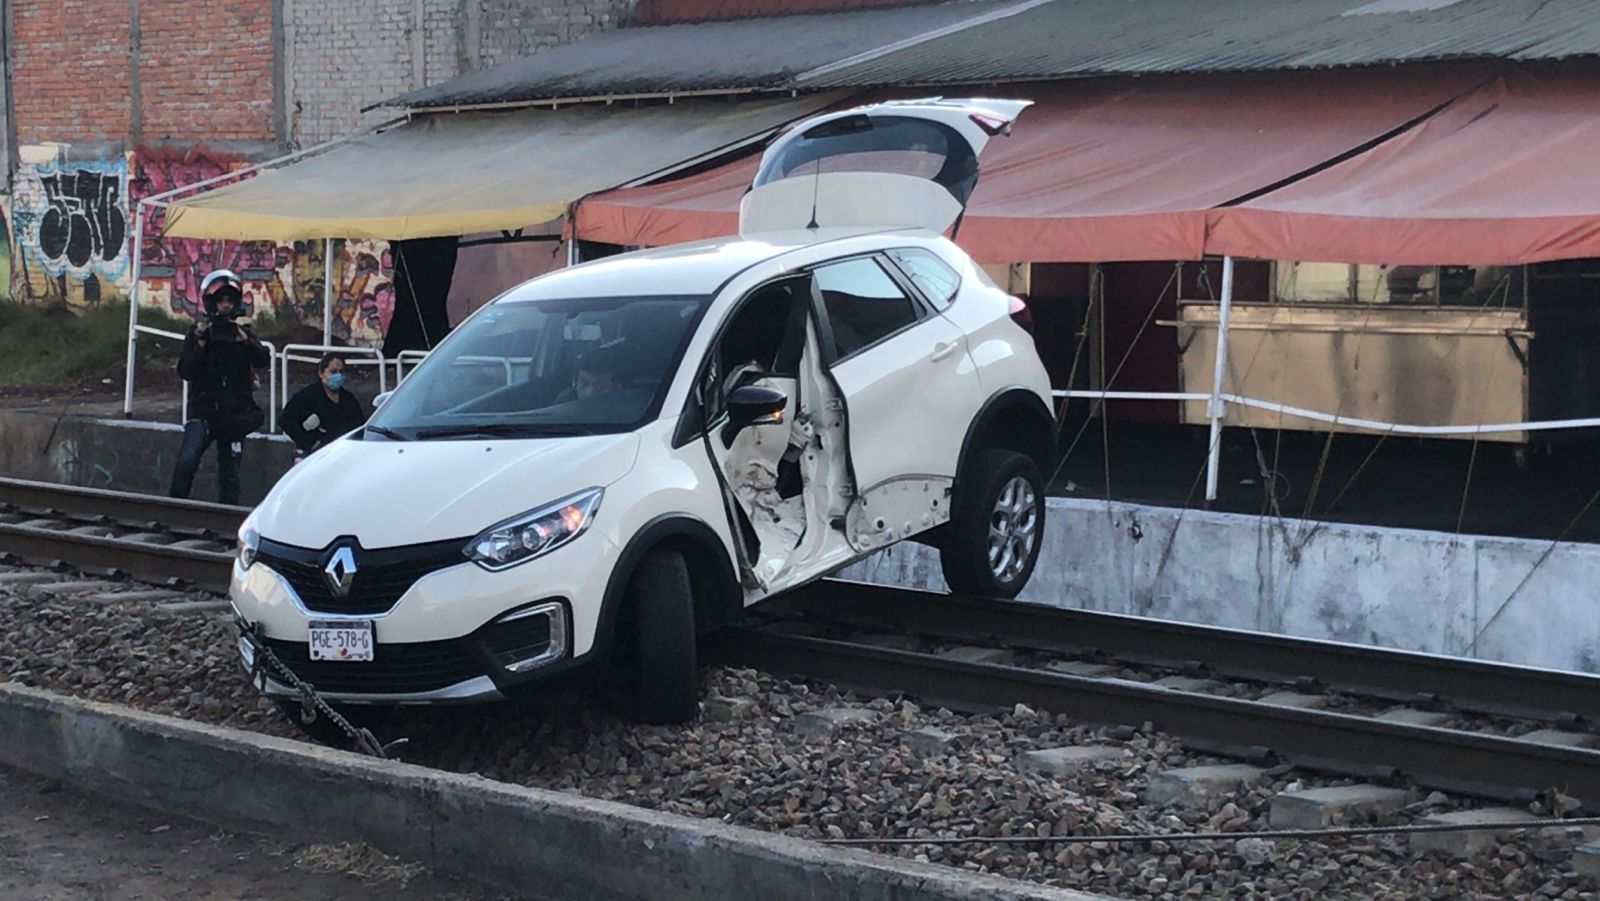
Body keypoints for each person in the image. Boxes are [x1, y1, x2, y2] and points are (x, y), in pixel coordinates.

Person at [168, 269, 270, 504]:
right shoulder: (197, 335)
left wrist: (244, 342)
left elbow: (263, 360)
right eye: (220, 300)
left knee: (230, 473)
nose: (225, 305)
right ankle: (173, 510)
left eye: (229, 300)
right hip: (203, 411)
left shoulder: (244, 334)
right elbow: (185, 371)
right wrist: (201, 345)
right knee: (187, 461)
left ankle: (226, 519)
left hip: (234, 414)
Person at [281, 353, 367, 463]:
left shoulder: (349, 400)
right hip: (315, 456)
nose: (338, 376)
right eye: (333, 372)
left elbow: (359, 427)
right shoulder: (306, 397)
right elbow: (285, 420)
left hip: (342, 455)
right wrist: (310, 442)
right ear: (321, 373)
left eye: (341, 372)